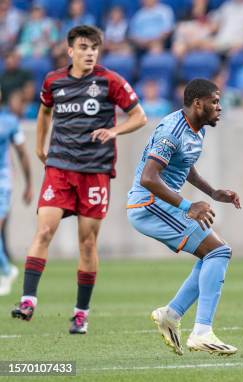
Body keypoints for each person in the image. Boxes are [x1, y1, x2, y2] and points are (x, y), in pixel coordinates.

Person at [10, 25, 147, 334]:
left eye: (94, 48)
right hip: (59, 168)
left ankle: (81, 313)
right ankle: (28, 299)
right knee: (44, 230)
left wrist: (113, 131)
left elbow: (139, 116)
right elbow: (45, 112)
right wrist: (38, 145)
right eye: (83, 48)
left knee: (87, 243)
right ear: (70, 51)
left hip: (95, 172)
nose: (89, 53)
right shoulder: (53, 81)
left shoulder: (110, 81)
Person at [126, 78, 241, 356]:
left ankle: (172, 315)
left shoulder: (198, 128)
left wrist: (213, 192)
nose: (219, 107)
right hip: (148, 203)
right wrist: (188, 205)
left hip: (158, 203)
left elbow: (185, 165)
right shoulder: (171, 130)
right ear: (198, 103)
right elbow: (149, 177)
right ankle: (201, 331)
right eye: (214, 102)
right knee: (219, 252)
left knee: (213, 254)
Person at [0, 89, 32, 296]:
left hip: (2, 182)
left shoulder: (10, 121)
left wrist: (29, 184)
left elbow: (22, 153)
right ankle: (6, 269)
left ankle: (6, 270)